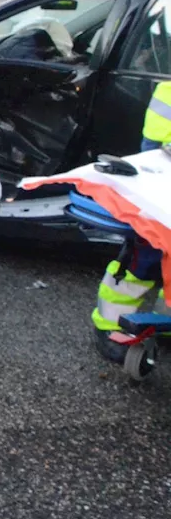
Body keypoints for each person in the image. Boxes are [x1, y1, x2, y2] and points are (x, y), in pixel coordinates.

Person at [90, 79, 171, 362]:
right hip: (163, 181)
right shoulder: (168, 98)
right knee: (145, 258)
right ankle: (110, 323)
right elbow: (157, 149)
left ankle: (164, 320)